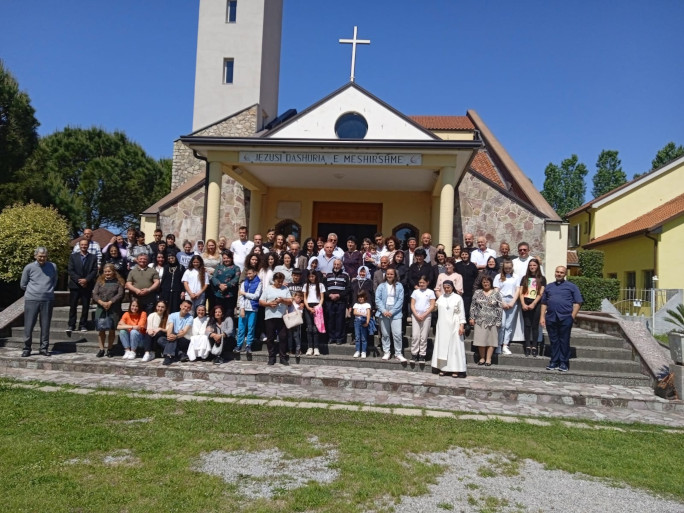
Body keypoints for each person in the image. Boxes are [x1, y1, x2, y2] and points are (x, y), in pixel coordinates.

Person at [541, 266, 583, 372]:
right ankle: (554, 361)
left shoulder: (572, 287)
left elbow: (578, 302)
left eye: (561, 272)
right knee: (554, 340)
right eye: (557, 272)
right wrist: (542, 316)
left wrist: (572, 316)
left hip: (565, 317)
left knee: (564, 340)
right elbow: (544, 303)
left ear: (565, 274)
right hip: (551, 317)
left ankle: (564, 362)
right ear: (555, 273)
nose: (559, 274)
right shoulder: (549, 287)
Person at [20, 247, 58, 357]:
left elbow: (54, 281)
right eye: (40, 256)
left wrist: (47, 290)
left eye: (44, 256)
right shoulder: (29, 267)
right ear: (35, 256)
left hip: (47, 299)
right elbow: (23, 284)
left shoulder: (53, 266)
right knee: (29, 325)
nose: (42, 258)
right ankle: (27, 348)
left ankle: (44, 348)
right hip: (32, 299)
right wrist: (34, 290)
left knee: (45, 325)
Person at [431, 280, 467, 378]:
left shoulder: (458, 298)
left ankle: (456, 369)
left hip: (454, 325)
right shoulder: (441, 298)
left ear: (452, 287)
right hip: (442, 326)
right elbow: (434, 308)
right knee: (443, 347)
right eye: (445, 288)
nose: (447, 289)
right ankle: (444, 368)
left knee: (454, 347)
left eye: (448, 287)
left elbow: (461, 312)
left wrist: (461, 325)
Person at [259, 272, 293, 365]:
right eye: (278, 281)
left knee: (283, 337)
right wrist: (269, 304)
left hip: (282, 316)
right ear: (274, 280)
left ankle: (283, 357)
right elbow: (261, 301)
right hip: (270, 316)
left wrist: (282, 300)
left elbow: (290, 301)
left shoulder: (285, 289)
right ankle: (271, 357)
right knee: (270, 338)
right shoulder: (268, 289)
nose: (280, 283)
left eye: (282, 281)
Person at [92, 263, 124, 358]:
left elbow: (120, 294)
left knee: (111, 329)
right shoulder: (100, 281)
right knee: (101, 329)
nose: (107, 273)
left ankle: (110, 348)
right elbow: (95, 294)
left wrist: (110, 302)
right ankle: (101, 349)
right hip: (101, 307)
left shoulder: (119, 281)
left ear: (113, 271)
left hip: (114, 308)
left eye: (109, 271)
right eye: (105, 271)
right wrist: (101, 302)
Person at [67, 239, 98, 334]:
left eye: (85, 245)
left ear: (88, 246)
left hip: (87, 285)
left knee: (85, 306)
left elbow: (94, 270)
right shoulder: (73, 256)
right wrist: (79, 280)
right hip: (75, 285)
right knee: (73, 306)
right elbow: (70, 270)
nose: (84, 246)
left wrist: (86, 280)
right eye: (82, 245)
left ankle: (83, 324)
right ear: (79, 246)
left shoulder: (93, 257)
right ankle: (71, 324)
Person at [470, 276, 503, 366]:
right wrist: (472, 317)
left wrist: (499, 321)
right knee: (481, 340)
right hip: (480, 320)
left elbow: (499, 308)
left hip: (493, 320)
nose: (485, 283)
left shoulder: (496, 293)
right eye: (484, 282)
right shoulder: (477, 292)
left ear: (491, 283)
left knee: (491, 340)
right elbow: (473, 306)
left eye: (487, 282)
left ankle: (488, 359)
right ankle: (482, 358)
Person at [375, 268, 406, 362]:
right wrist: (383, 310)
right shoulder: (381, 286)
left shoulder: (399, 286)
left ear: (395, 275)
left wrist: (392, 311)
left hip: (395, 313)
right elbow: (378, 299)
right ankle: (386, 352)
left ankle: (398, 353)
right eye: (388, 274)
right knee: (385, 334)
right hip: (383, 312)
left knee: (397, 334)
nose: (389, 276)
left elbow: (400, 300)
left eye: (391, 274)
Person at [519, 258, 546, 357]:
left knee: (535, 326)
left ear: (538, 266)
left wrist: (534, 303)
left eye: (534, 265)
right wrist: (523, 304)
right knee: (527, 325)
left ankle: (534, 345)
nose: (532, 267)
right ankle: (527, 346)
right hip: (526, 303)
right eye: (530, 265)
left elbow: (541, 293)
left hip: (536, 304)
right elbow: (521, 292)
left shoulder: (542, 278)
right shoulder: (524, 278)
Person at [493, 260, 520, 356]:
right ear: (503, 268)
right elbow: (496, 291)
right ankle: (499, 345)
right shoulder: (498, 277)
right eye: (506, 268)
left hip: (512, 301)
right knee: (502, 325)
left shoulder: (516, 277)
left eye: (509, 268)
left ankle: (505, 345)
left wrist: (513, 302)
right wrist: (502, 302)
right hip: (502, 300)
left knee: (509, 325)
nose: (508, 270)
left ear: (512, 267)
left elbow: (517, 290)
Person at [324, 259, 351, 345]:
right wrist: (329, 295)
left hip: (341, 301)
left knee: (340, 320)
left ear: (341, 265)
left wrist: (339, 295)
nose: (336, 266)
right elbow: (323, 288)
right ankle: (331, 337)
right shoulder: (328, 276)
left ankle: (339, 338)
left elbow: (348, 289)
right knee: (330, 319)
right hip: (330, 301)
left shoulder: (345, 276)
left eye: (338, 264)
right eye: (335, 264)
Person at [159, 299, 194, 365]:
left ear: (190, 309)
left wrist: (175, 336)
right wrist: (169, 335)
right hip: (174, 337)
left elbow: (184, 332)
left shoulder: (190, 318)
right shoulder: (172, 315)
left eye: (188, 307)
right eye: (185, 306)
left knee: (173, 337)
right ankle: (180, 353)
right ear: (180, 306)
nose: (186, 308)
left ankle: (168, 356)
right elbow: (170, 327)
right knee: (160, 340)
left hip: (183, 339)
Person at [410, 276, 436, 363]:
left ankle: (422, 355)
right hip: (416, 316)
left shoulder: (430, 292)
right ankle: (414, 354)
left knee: (424, 336)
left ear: (427, 283)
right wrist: (416, 314)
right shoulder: (415, 292)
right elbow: (412, 304)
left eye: (423, 282)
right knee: (415, 336)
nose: (421, 284)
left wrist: (425, 314)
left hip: (426, 316)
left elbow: (432, 305)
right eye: (420, 282)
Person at [236, 267, 262, 354]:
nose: (248, 275)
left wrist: (245, 293)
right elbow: (241, 296)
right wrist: (242, 308)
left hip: (253, 308)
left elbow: (256, 296)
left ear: (255, 273)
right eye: (247, 274)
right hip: (244, 308)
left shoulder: (259, 283)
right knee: (241, 328)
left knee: (251, 327)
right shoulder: (244, 283)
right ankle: (239, 345)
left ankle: (248, 345)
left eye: (250, 273)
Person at [454, 249, 478, 333]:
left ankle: (467, 323)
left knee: (467, 307)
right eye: (463, 254)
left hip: (469, 290)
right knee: (459, 307)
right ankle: (459, 323)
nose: (464, 256)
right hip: (459, 290)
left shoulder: (472, 266)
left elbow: (476, 277)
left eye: (466, 254)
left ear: (469, 255)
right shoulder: (457, 265)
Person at [303, 268, 325, 356]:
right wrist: (308, 307)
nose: (311, 278)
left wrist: (318, 306)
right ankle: (310, 347)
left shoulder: (320, 285)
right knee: (309, 328)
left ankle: (316, 347)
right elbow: (304, 298)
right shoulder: (305, 286)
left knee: (315, 329)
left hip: (317, 307)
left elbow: (322, 297)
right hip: (308, 307)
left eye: (313, 276)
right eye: (310, 276)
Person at [210, 250, 240, 314]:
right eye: (224, 258)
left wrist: (226, 286)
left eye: (228, 258)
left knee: (229, 313)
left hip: (230, 294)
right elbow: (214, 277)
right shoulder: (218, 267)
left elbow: (236, 278)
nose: (226, 260)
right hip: (219, 293)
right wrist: (219, 285)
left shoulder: (236, 268)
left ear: (231, 258)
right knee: (219, 312)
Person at [352, 290, 371, 358]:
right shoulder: (356, 304)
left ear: (365, 297)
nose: (361, 298)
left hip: (364, 322)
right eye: (359, 297)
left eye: (362, 297)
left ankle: (363, 351)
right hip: (357, 322)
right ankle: (357, 351)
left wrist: (367, 322)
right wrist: (363, 314)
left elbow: (368, 314)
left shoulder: (367, 305)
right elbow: (355, 312)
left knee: (364, 337)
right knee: (357, 337)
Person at [287, 291, 305, 357]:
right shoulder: (292, 303)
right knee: (289, 336)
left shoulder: (300, 306)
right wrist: (293, 298)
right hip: (290, 322)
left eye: (300, 298)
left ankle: (298, 349)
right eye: (297, 297)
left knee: (296, 336)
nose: (299, 299)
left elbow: (301, 315)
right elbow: (290, 300)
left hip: (297, 323)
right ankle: (290, 350)